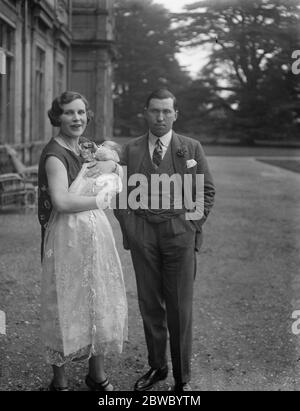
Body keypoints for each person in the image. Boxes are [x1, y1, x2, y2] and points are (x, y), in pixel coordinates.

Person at [114, 88, 216, 391]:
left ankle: (182, 378)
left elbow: (205, 191)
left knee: (179, 307)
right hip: (143, 232)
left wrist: (190, 225)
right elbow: (120, 194)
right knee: (150, 304)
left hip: (179, 233)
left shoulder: (191, 148)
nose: (160, 117)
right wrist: (131, 227)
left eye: (166, 111)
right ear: (146, 113)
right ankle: (157, 367)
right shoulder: (130, 150)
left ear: (175, 114)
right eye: (155, 110)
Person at [37, 91, 127, 391]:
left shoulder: (88, 147)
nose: (76, 119)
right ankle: (59, 381)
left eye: (81, 112)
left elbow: (115, 160)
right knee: (64, 301)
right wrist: (100, 199)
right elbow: (62, 201)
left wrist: (112, 166)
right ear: (57, 117)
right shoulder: (55, 154)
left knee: (96, 298)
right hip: (65, 236)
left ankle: (96, 374)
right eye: (69, 113)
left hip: (93, 232)